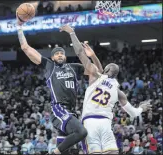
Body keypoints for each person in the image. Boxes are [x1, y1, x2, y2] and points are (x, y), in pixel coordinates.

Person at [16, 13, 103, 154]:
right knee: (81, 132)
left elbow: (98, 71)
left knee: (69, 151)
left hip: (72, 111)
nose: (60, 55)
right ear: (52, 57)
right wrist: (19, 28)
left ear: (65, 56)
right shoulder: (49, 66)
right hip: (59, 110)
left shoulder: (74, 67)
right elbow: (26, 48)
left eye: (62, 53)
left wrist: (92, 56)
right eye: (56, 54)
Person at [60, 24, 152, 154]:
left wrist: (72, 33)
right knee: (112, 152)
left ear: (107, 70)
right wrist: (142, 107)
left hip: (90, 122)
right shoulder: (118, 91)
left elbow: (80, 52)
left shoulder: (95, 76)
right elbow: (133, 113)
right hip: (105, 124)